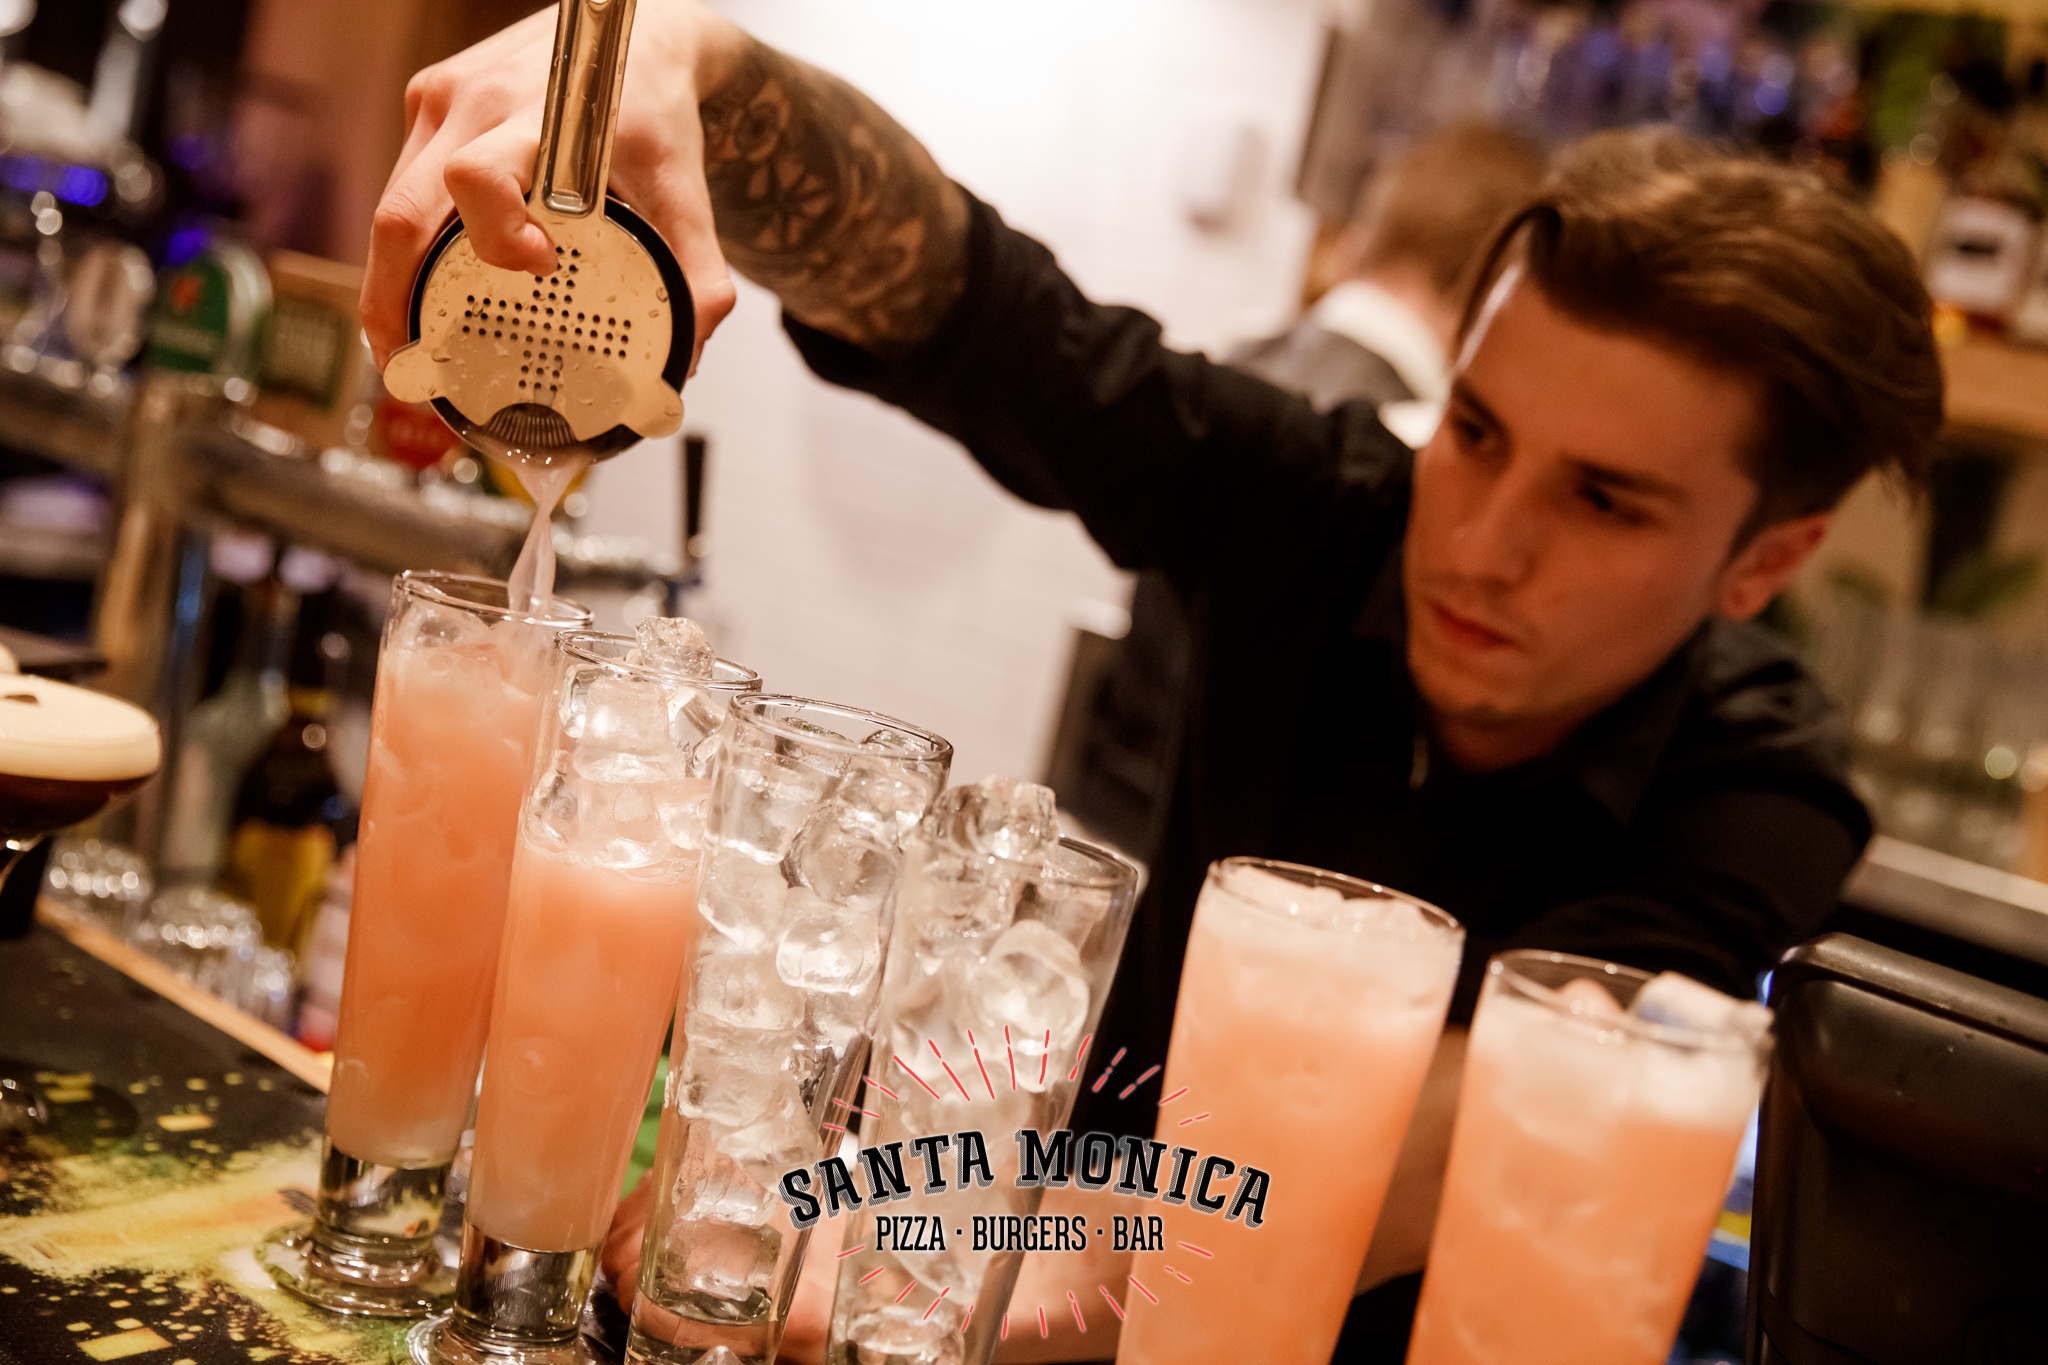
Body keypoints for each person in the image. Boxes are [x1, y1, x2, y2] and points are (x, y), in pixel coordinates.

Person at [363, 6, 1944, 1359]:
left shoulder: (1762, 782)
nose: (1480, 542)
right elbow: (972, 305)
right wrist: (695, 65)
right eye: (1475, 432)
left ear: (1763, 561)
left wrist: (972, 1255)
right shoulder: (1328, 507)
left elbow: (1472, 1112)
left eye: (1604, 500)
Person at [1060, 122, 1546, 871]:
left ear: (1362, 241)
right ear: (1492, 293)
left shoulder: (1229, 361)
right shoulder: (1410, 443)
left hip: (1094, 829)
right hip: (1235, 878)